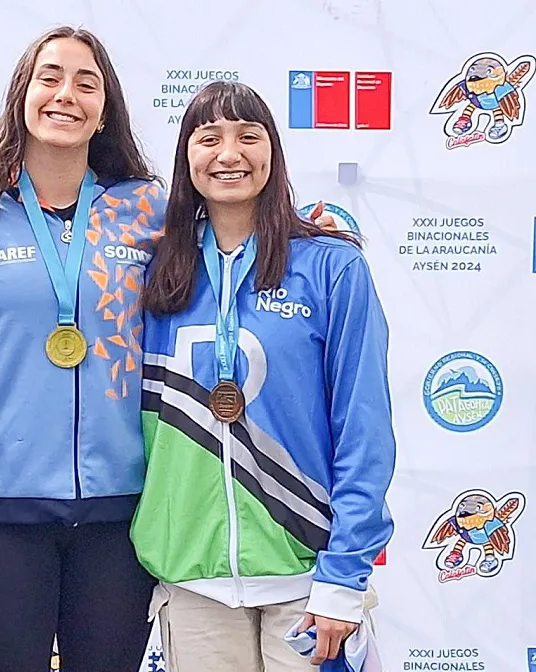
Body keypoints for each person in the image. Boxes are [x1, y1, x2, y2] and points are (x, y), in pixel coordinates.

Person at [0, 27, 339, 672]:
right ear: (20, 94)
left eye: (86, 82)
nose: (66, 94)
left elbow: (238, 229)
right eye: (50, 77)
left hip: (124, 506)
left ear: (106, 108)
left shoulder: (152, 212)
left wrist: (306, 233)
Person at [130, 81, 395, 671]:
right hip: (193, 581)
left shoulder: (331, 266)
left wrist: (345, 577)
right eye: (210, 138)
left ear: (273, 151)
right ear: (186, 157)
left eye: (248, 136)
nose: (229, 154)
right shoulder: (152, 273)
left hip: (307, 577)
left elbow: (363, 428)